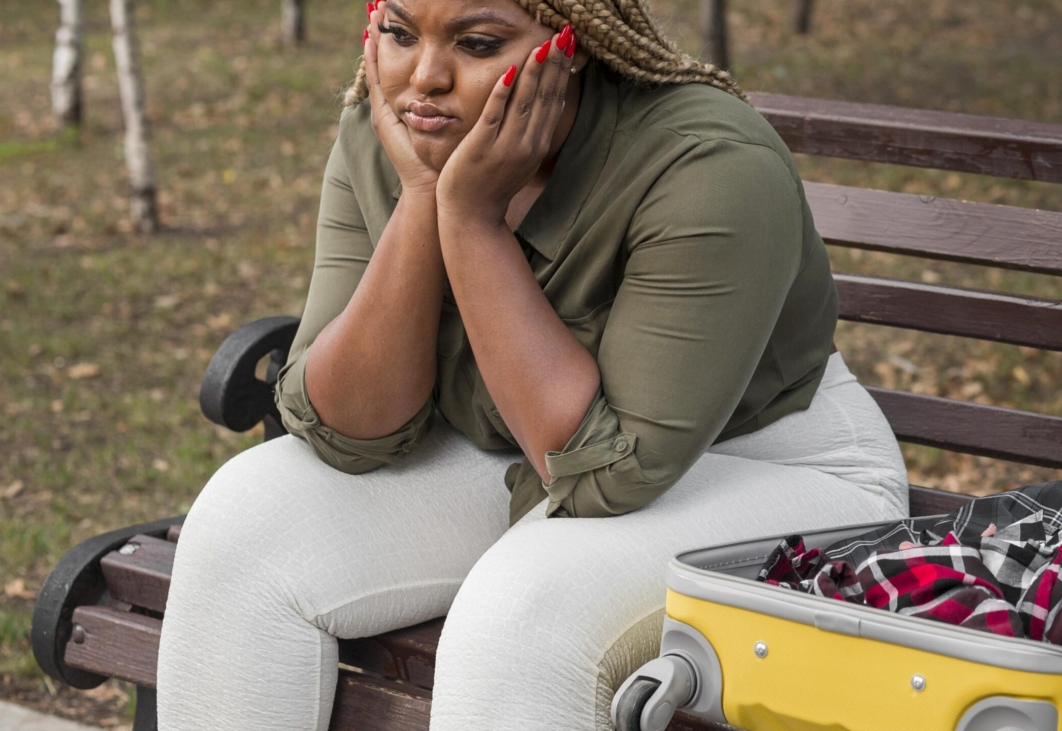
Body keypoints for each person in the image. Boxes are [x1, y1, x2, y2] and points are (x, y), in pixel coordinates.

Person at [158, 0, 910, 728]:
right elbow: (346, 430)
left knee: (521, 616)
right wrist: (423, 195)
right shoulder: (391, 131)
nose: (424, 76)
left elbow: (608, 475)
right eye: (398, 32)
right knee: (244, 526)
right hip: (527, 449)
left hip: (771, 469)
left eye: (477, 43)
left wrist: (473, 219)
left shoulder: (711, 162)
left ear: (570, 42)